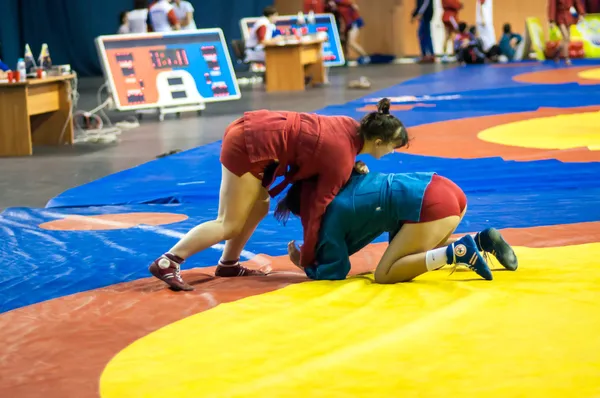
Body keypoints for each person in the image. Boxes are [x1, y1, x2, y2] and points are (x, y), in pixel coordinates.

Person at [149, 98, 410, 291]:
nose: (392, 152)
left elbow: (320, 151)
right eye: (393, 147)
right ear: (378, 142)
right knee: (228, 223)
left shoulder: (350, 128)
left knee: (259, 207)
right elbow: (316, 211)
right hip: (250, 145)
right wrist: (308, 257)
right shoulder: (341, 158)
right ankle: (168, 261)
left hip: (253, 130)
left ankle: (228, 264)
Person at [283, 169, 518, 283]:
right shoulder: (348, 180)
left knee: (385, 274)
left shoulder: (331, 216)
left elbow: (335, 270)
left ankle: (457, 252)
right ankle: (480, 241)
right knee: (417, 257)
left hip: (431, 206)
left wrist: (304, 264)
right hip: (446, 188)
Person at [548, 0, 585, 65]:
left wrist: (581, 13)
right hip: (559, 16)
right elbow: (552, 6)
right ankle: (567, 58)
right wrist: (551, 20)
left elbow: (577, 2)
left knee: (567, 39)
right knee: (565, 36)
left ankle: (557, 51)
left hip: (568, 16)